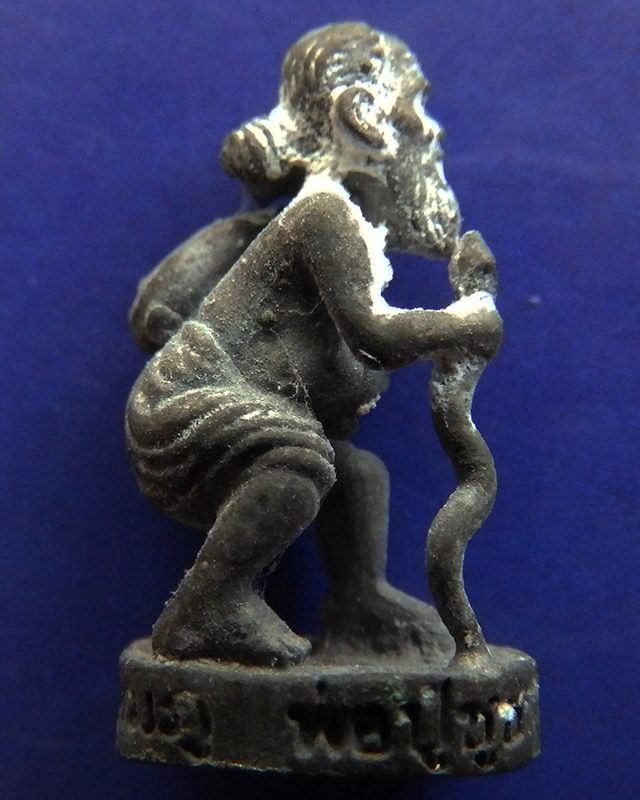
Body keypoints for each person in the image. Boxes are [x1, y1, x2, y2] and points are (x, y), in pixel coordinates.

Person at [126, 22, 502, 667]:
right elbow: (375, 337)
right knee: (300, 460)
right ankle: (202, 608)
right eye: (416, 103)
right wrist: (465, 324)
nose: (432, 130)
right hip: (184, 410)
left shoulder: (345, 230)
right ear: (363, 115)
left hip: (208, 405)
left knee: (358, 473)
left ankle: (358, 598)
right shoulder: (324, 213)